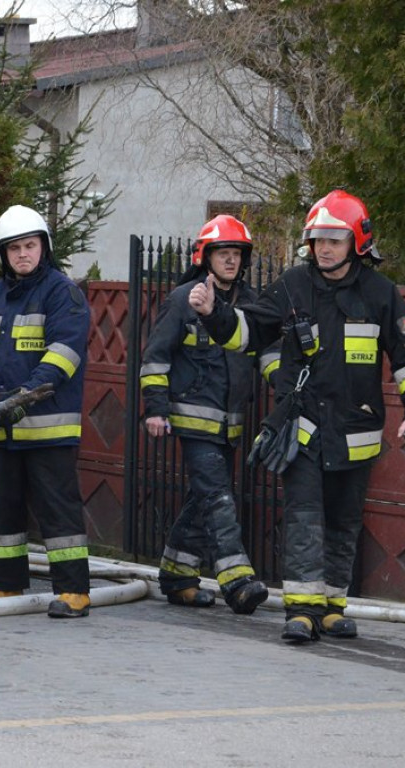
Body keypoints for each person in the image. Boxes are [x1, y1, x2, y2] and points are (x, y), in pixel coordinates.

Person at [189, 190, 405, 643]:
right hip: (303, 428)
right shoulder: (291, 286)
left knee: (344, 521)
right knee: (305, 515)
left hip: (357, 430)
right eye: (316, 240)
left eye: (334, 239)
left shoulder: (381, 295)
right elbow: (248, 334)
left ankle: (331, 606)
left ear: (357, 242)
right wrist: (213, 315)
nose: (323, 248)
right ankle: (302, 609)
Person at [0, 204, 92, 618]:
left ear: (44, 247)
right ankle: (6, 584)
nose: (22, 255)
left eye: (30, 246)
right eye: (14, 248)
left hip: (47, 428)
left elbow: (64, 355)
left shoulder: (62, 293)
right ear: (3, 254)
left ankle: (74, 592)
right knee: (3, 509)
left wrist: (25, 395)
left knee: (58, 511)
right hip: (3, 429)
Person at [139, 215, 270, 615]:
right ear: (205, 257)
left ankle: (177, 576)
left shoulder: (250, 303)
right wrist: (156, 410)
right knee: (217, 497)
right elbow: (155, 358)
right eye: (223, 254)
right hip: (193, 420)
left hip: (230, 422)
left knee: (202, 499)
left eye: (236, 254)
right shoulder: (183, 299)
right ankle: (237, 579)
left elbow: (266, 349)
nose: (230, 262)